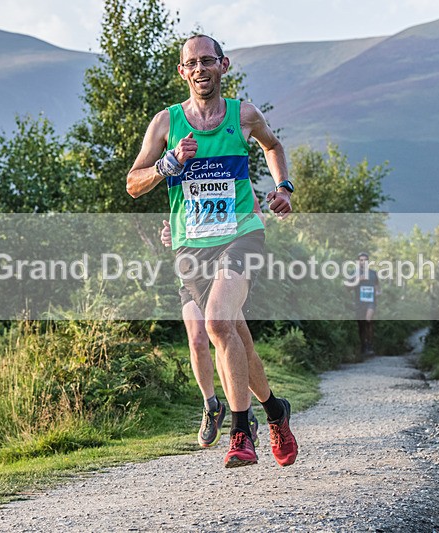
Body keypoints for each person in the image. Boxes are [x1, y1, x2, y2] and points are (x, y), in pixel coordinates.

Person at [127, 34, 297, 468]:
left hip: (242, 231)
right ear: (183, 72)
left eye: (208, 61)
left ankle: (241, 432)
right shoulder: (165, 124)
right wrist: (167, 165)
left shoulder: (243, 115)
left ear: (223, 65)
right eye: (192, 63)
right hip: (191, 245)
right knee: (233, 335)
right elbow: (133, 183)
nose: (200, 69)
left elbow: (273, 146)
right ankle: (275, 411)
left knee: (218, 321)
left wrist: (283, 188)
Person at [161, 192, 264, 449]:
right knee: (197, 339)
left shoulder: (232, 170)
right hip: (192, 270)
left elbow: (256, 215)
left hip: (225, 268)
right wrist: (170, 234)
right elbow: (179, 225)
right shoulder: (182, 171)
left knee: (220, 332)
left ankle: (243, 409)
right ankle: (211, 406)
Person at [353, 252, 380, 355]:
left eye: (365, 260)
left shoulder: (373, 273)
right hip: (359, 303)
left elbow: (377, 286)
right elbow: (347, 287)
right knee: (361, 325)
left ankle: (369, 344)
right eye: (361, 260)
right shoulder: (354, 273)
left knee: (368, 320)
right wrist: (357, 280)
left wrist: (377, 292)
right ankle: (363, 345)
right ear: (358, 261)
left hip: (371, 302)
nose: (363, 262)